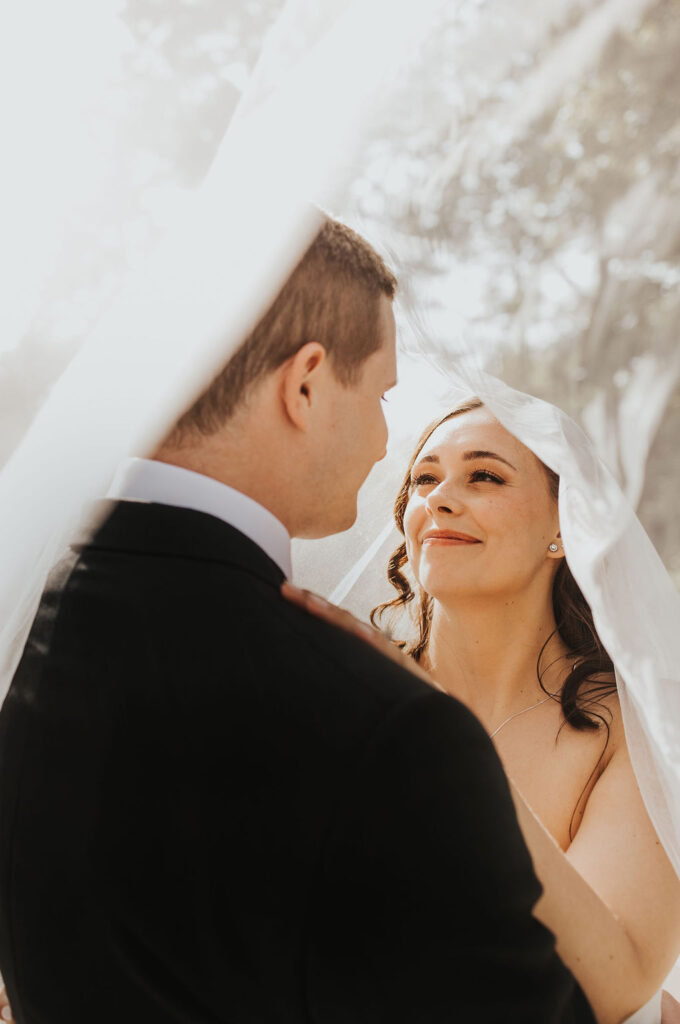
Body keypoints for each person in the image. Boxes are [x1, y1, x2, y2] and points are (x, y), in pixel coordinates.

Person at [0, 216, 596, 1023]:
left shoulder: (36, 613)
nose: (389, 440)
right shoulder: (389, 728)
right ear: (306, 382)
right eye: (383, 396)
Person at [283, 396, 680, 1024]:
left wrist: (439, 732)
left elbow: (612, 988)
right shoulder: (341, 693)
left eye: (484, 475)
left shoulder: (631, 730)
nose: (438, 498)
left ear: (564, 526)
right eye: (423, 478)